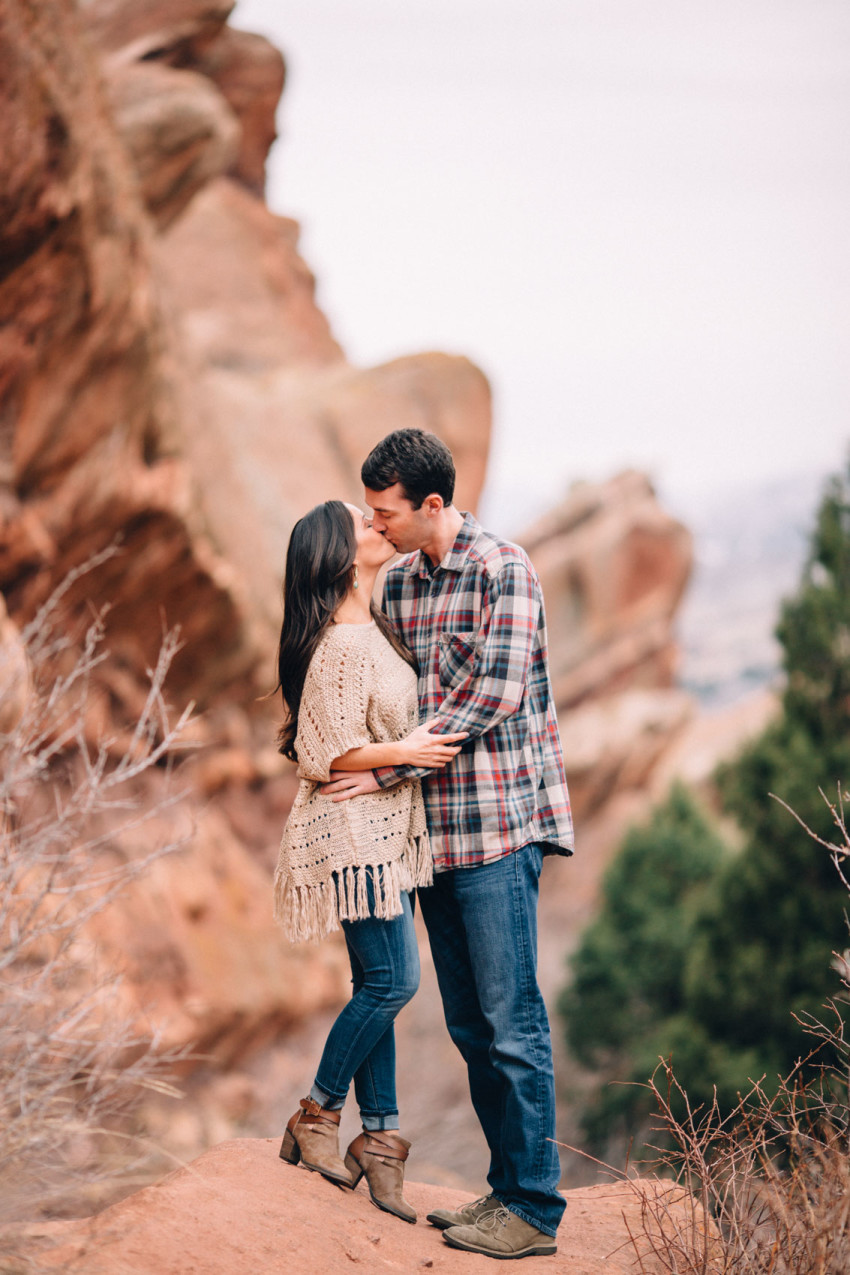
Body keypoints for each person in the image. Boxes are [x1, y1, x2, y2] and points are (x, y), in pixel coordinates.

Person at [323, 430, 574, 1260]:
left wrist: (388, 771)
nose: (375, 521)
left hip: (500, 830)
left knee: (513, 1023)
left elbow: (491, 697)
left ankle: (535, 1207)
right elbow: (387, 698)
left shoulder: (505, 569)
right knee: (470, 1027)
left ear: (432, 504)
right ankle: (505, 1192)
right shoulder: (396, 588)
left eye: (385, 510)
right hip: (433, 843)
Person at [273, 498, 466, 1224]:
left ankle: (378, 1139)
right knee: (393, 981)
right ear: (340, 554)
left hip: (385, 828)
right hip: (352, 833)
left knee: (376, 981)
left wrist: (394, 761)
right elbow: (326, 751)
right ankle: (317, 1113)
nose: (378, 526)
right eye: (364, 522)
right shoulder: (337, 642)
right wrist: (406, 753)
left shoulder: (371, 625)